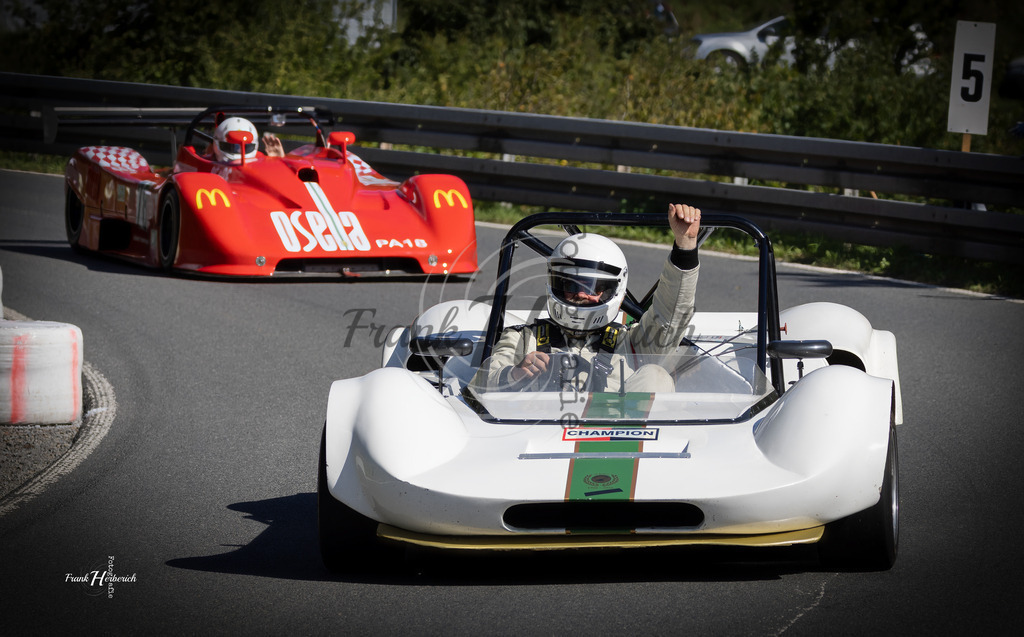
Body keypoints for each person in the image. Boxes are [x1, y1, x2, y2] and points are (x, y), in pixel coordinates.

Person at [475, 203, 701, 393]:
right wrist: (514, 374)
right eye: (572, 284)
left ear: (614, 292)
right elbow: (479, 385)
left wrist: (686, 247)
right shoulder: (522, 339)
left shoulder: (634, 344)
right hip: (536, 436)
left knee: (656, 375)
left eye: (594, 287)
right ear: (556, 284)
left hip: (616, 440)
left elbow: (670, 317)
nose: (581, 294)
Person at [209, 116, 284, 162]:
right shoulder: (207, 161)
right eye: (232, 147)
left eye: (245, 147)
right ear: (216, 144)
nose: (239, 151)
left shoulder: (261, 160)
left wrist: (278, 161)